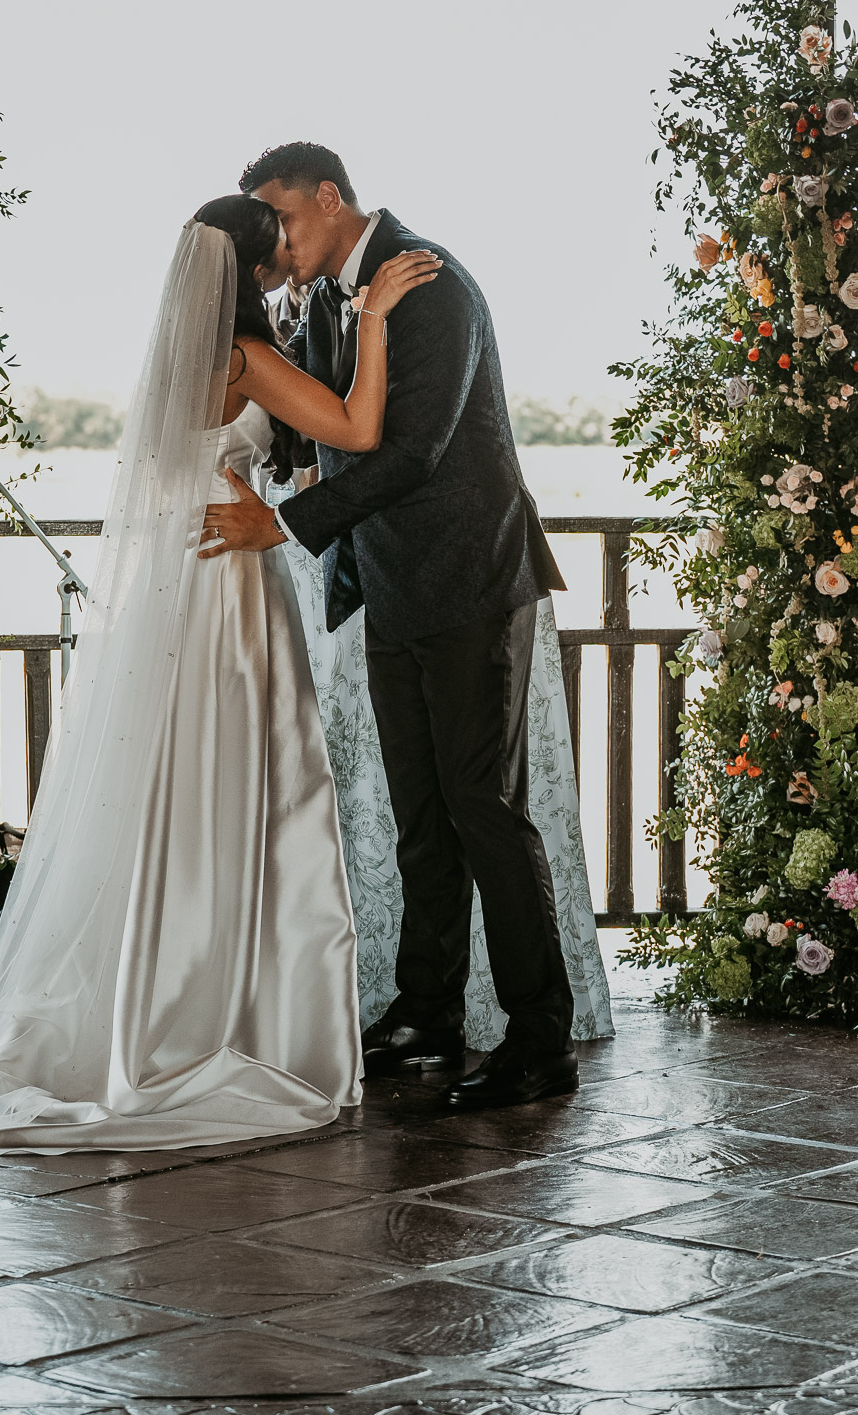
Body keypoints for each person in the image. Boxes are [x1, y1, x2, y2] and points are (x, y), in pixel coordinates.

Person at [0, 200, 437, 1153]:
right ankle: (227, 1015)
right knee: (246, 789)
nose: (285, 266)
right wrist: (374, 317)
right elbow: (359, 432)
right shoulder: (241, 356)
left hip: (182, 584)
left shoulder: (186, 357)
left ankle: (156, 996)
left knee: (176, 792)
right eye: (272, 256)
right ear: (243, 267)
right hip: (231, 586)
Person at [203, 143, 580, 1110]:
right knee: (422, 817)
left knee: (483, 809)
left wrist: (281, 526)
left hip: (468, 582)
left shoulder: (430, 282)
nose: (276, 241)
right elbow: (325, 430)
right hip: (390, 586)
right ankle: (426, 1016)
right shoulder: (331, 300)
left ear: (329, 197)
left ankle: (542, 1040)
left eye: (283, 218)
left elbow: (413, 453)